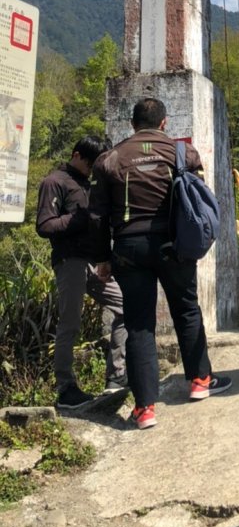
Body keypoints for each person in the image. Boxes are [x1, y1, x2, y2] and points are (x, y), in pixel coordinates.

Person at [91, 97, 231, 430]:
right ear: (165, 123)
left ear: (132, 123)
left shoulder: (110, 159)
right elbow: (196, 197)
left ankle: (145, 409)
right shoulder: (181, 153)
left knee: (139, 323)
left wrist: (103, 257)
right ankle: (199, 381)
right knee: (187, 309)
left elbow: (97, 215)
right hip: (174, 245)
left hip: (128, 248)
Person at [36, 136, 127, 411]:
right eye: (89, 163)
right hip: (69, 261)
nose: (91, 168)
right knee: (70, 324)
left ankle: (117, 376)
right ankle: (66, 389)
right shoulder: (54, 182)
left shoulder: (90, 184)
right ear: (76, 155)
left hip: (94, 261)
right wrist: (79, 218)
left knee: (127, 306)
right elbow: (44, 225)